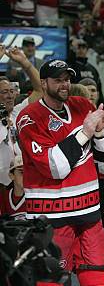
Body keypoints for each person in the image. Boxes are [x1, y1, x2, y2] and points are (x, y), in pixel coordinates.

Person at [16, 59, 104, 286]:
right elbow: (55, 167)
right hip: (51, 217)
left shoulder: (81, 105)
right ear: (44, 83)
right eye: (57, 80)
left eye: (67, 79)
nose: (64, 85)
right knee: (50, 283)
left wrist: (100, 131)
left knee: (96, 277)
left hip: (89, 212)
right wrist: (85, 131)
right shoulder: (29, 118)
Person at [0, 45, 43, 187]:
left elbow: (40, 90)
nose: (10, 96)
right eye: (4, 92)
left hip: (21, 182)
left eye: (12, 91)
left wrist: (25, 63)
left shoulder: (19, 111)